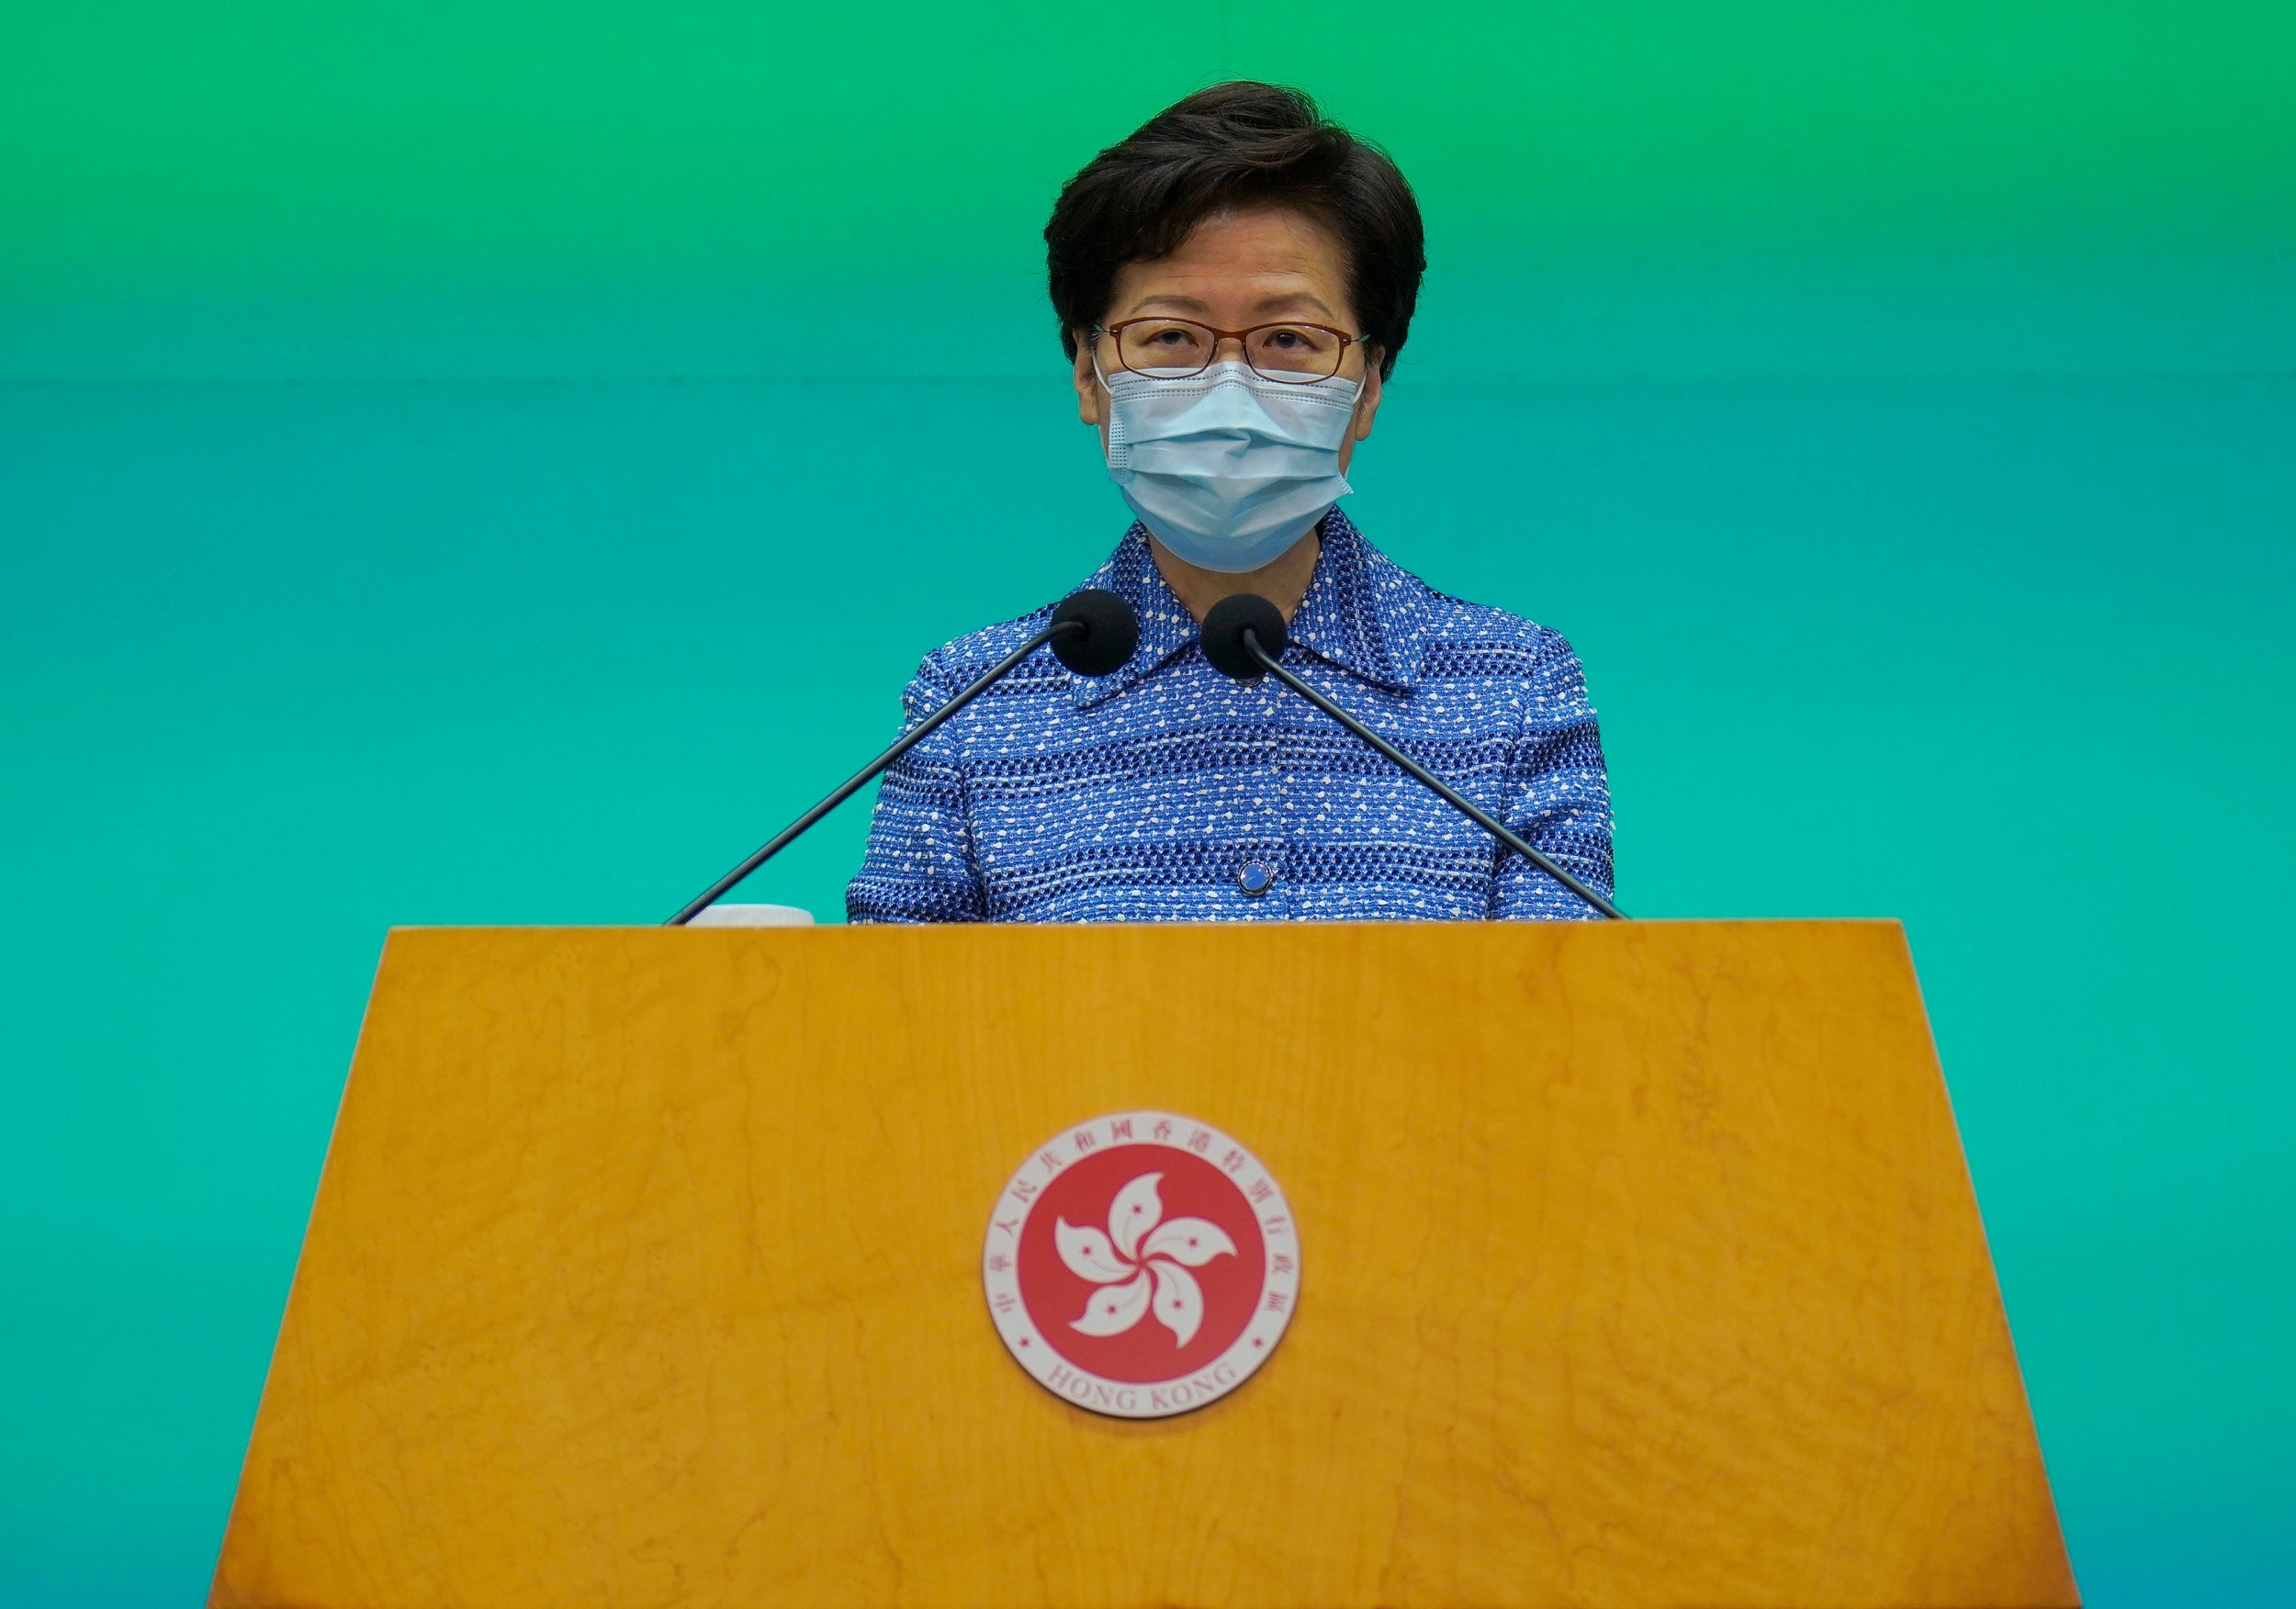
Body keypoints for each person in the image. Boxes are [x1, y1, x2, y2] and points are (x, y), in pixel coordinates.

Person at [847, 82, 1613, 923]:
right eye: (1170, 336)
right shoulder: (973, 706)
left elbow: (1562, 1025)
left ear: (1370, 385)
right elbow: (899, 1028)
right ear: (1088, 374)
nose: (1229, 389)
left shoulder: (1513, 685)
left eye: (1289, 339)